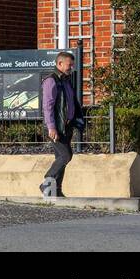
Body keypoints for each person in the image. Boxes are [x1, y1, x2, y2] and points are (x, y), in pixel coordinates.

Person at [39, 51, 85, 198]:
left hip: (67, 126)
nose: (71, 67)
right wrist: (51, 127)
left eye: (72, 65)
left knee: (60, 158)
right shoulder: (51, 80)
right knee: (66, 156)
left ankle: (55, 190)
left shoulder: (65, 80)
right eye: (69, 64)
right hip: (56, 127)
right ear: (59, 64)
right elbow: (48, 106)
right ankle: (47, 182)